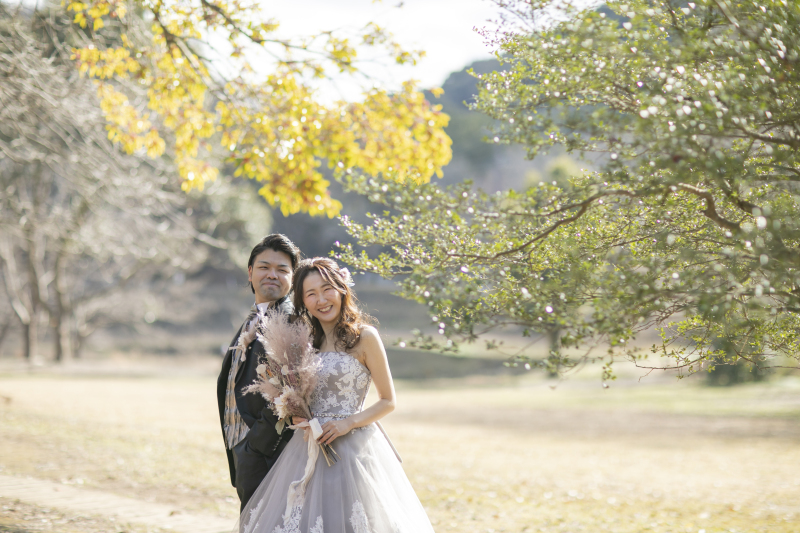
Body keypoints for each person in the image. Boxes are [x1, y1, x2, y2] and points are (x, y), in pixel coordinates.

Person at [238, 257, 435, 533]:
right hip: (307, 446)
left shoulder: (365, 337)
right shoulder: (304, 344)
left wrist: (348, 423)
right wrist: (295, 409)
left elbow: (388, 401)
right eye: (311, 294)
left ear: (342, 288)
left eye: (327, 288)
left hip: (354, 450)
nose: (321, 299)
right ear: (303, 301)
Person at [217, 234, 302, 511]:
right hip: (244, 447)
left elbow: (296, 390)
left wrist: (257, 445)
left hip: (267, 450)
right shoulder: (254, 316)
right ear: (251, 272)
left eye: (282, 269)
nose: (272, 275)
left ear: (293, 277)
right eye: (264, 267)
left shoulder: (291, 320)